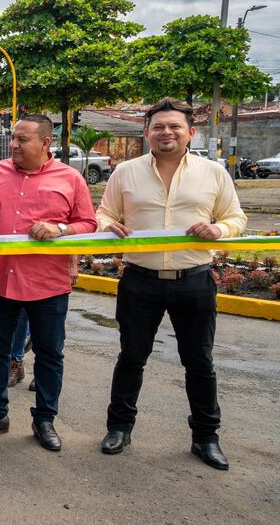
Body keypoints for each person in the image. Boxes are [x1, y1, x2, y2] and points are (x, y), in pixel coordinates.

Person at [96, 98, 246, 470]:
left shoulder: (213, 173)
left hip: (193, 280)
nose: (167, 133)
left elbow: (236, 217)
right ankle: (119, 428)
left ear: (190, 132)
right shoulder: (126, 172)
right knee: (131, 357)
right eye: (159, 127)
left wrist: (219, 229)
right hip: (139, 281)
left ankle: (206, 437)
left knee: (199, 363)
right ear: (147, 133)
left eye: (175, 127)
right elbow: (104, 212)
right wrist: (106, 225)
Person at [0, 115, 96, 451]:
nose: (14, 145)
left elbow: (88, 224)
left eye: (22, 140)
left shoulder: (70, 179)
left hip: (48, 284)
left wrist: (61, 230)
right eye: (13, 138)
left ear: (45, 143)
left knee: (49, 353)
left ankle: (44, 420)